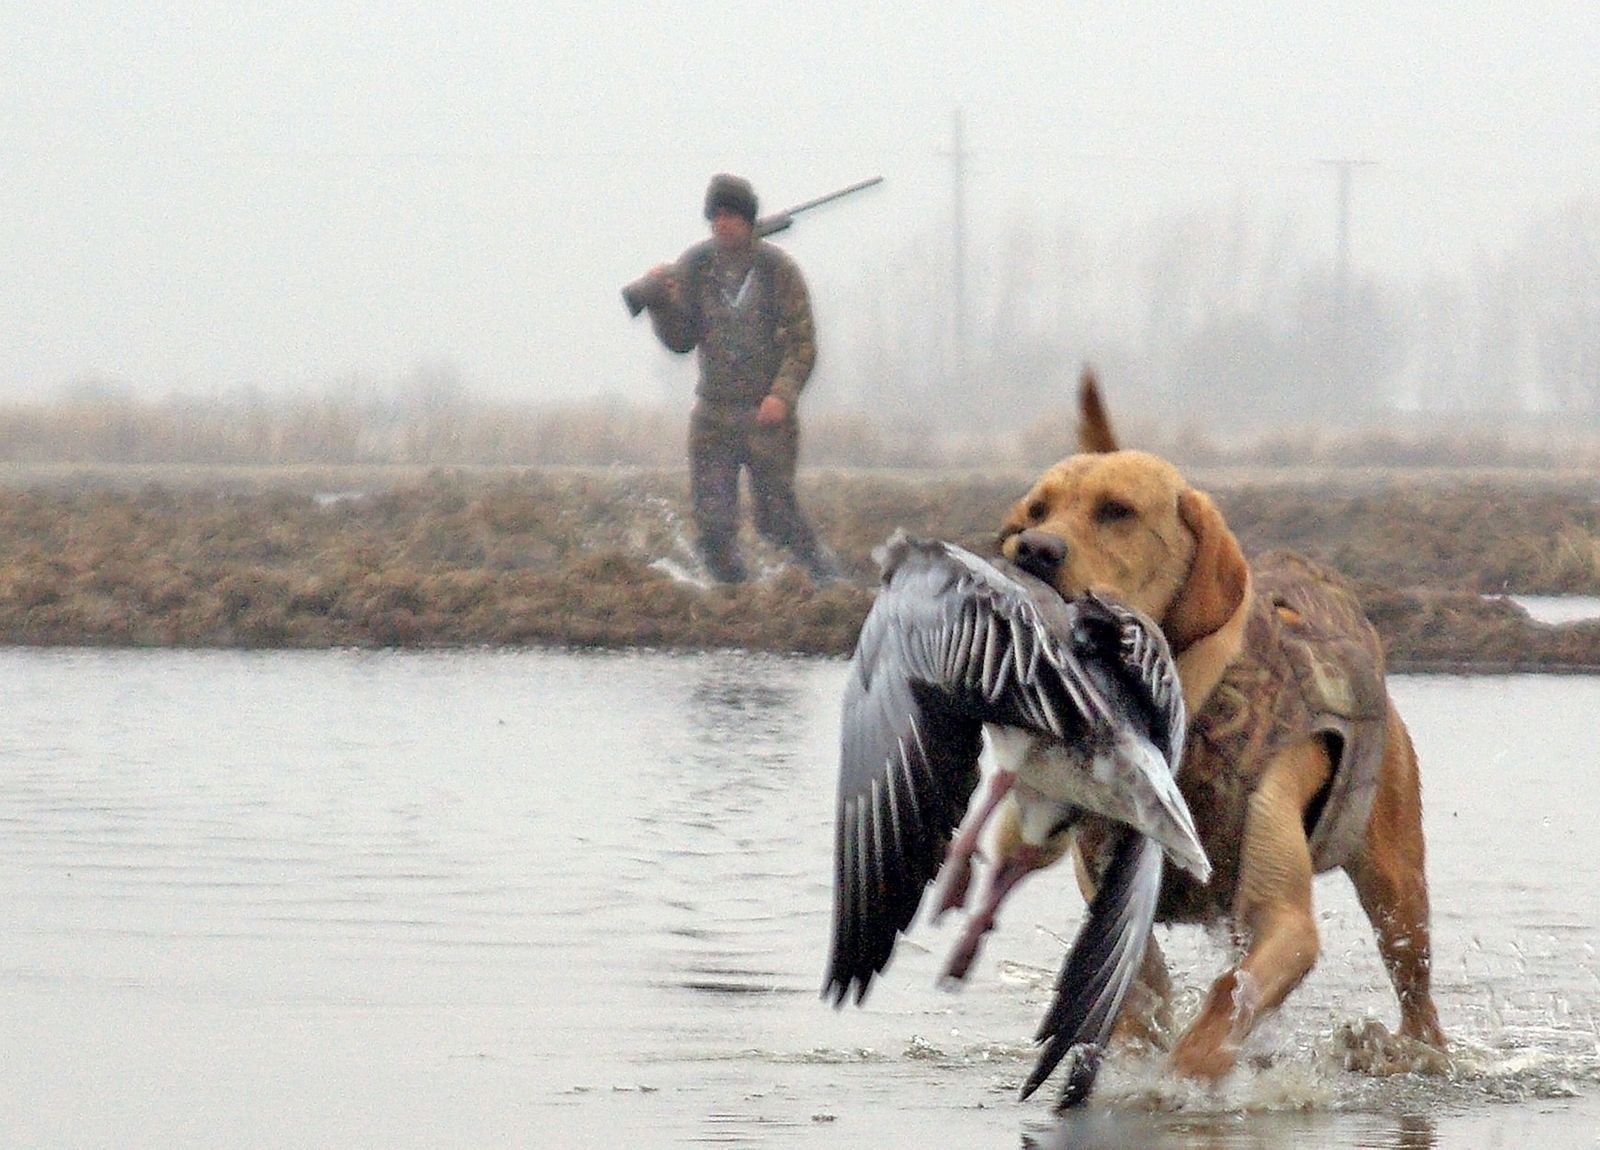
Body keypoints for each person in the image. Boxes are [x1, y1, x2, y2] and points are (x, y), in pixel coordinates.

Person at [636, 173, 841, 586]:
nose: (721, 224)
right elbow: (681, 340)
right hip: (713, 414)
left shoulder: (778, 270)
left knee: (776, 518)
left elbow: (803, 344)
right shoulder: (694, 267)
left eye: (730, 215)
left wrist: (781, 396)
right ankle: (732, 596)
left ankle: (826, 584)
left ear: (748, 220)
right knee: (713, 525)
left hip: (766, 416)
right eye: (715, 216)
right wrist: (659, 304)